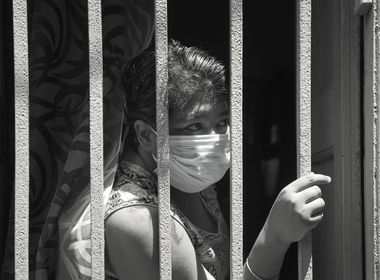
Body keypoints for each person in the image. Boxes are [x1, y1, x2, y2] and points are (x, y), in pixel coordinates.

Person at [104, 40, 331, 280]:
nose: (215, 141)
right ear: (146, 135)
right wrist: (274, 237)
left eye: (221, 123)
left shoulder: (189, 180)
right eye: (195, 126)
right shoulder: (139, 221)